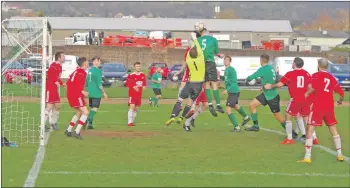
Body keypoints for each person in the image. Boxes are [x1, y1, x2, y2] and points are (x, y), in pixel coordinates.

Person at [298, 58, 344, 163]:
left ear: (318, 65)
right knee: (333, 129)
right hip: (329, 107)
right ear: (327, 66)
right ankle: (340, 155)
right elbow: (341, 93)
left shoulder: (315, 76)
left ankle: (307, 157)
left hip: (318, 107)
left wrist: (307, 93)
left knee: (310, 129)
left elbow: (313, 88)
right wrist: (340, 101)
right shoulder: (332, 78)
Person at [264, 57, 311, 144]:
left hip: (295, 99)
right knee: (304, 118)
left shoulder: (290, 74)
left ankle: (289, 138)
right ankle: (312, 137)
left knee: (288, 117)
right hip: (305, 99)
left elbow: (280, 84)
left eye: (293, 63)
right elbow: (310, 86)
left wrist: (270, 86)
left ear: (294, 64)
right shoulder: (307, 73)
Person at [166, 35, 205, 132]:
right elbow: (198, 47)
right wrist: (195, 38)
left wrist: (191, 45)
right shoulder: (201, 59)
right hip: (199, 85)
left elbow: (188, 56)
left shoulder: (189, 59)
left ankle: (173, 116)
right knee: (190, 102)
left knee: (180, 100)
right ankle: (182, 117)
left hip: (190, 83)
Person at [245, 53, 285, 132]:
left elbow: (252, 76)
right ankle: (255, 126)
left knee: (277, 116)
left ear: (261, 60)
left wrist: (248, 79)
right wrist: (263, 88)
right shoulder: (271, 68)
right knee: (252, 105)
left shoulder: (263, 69)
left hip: (272, 96)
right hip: (266, 94)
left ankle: (291, 132)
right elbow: (270, 79)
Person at [196, 23, 224, 116]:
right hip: (210, 62)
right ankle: (218, 105)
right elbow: (217, 52)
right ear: (208, 33)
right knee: (214, 83)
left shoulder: (198, 40)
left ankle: (210, 104)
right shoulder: (213, 39)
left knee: (206, 84)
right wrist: (220, 55)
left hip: (202, 64)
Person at [221, 56, 250, 132]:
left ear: (230, 62)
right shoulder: (226, 70)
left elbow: (234, 82)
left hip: (233, 92)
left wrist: (227, 90)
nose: (225, 61)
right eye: (224, 60)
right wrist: (220, 77)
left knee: (228, 110)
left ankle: (236, 127)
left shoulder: (232, 70)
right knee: (235, 106)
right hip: (233, 92)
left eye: (227, 60)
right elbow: (226, 79)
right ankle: (246, 117)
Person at [64, 57, 89, 140]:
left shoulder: (77, 71)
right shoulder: (81, 72)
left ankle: (68, 130)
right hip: (76, 95)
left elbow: (69, 83)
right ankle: (77, 131)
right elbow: (76, 84)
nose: (88, 63)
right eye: (87, 61)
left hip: (72, 94)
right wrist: (82, 91)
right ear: (84, 63)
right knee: (85, 112)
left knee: (78, 112)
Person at [44, 52, 65, 130]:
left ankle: (53, 123)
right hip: (50, 88)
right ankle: (42, 124)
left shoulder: (60, 66)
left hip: (55, 89)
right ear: (58, 58)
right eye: (63, 56)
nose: (64, 57)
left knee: (58, 107)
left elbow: (57, 77)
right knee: (49, 107)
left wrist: (62, 83)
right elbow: (50, 75)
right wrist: (55, 81)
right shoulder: (53, 65)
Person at [85, 56, 108, 129]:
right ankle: (87, 119)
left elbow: (87, 82)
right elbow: (99, 84)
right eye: (99, 61)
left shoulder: (90, 70)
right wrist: (104, 92)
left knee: (92, 108)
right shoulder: (98, 71)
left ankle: (90, 124)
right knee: (95, 108)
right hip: (96, 92)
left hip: (90, 92)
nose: (100, 62)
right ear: (95, 61)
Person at [125, 62, 146, 126]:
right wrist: (133, 86)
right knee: (132, 107)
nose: (138, 67)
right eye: (137, 66)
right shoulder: (131, 75)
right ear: (134, 67)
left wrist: (144, 86)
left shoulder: (142, 74)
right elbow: (127, 84)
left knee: (136, 109)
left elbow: (144, 83)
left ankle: (132, 121)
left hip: (139, 95)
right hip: (132, 94)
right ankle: (129, 122)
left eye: (139, 66)